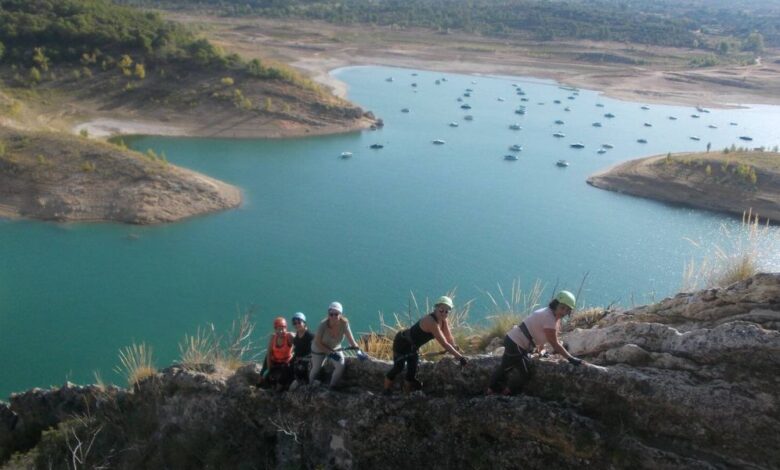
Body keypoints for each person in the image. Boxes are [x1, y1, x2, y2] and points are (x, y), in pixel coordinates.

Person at [487, 290, 585, 395]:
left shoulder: (549, 313)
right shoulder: (549, 318)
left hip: (513, 340)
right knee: (525, 372)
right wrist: (570, 358)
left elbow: (537, 331)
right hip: (517, 344)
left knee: (505, 367)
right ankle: (507, 392)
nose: (564, 312)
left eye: (567, 310)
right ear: (556, 304)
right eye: (562, 307)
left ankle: (492, 389)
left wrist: (541, 350)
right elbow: (554, 343)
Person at [383, 296, 468, 394]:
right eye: (441, 310)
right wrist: (460, 357)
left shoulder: (444, 321)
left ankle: (406, 394)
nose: (444, 313)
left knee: (412, 371)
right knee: (398, 367)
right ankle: (386, 389)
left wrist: (454, 346)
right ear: (436, 308)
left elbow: (449, 337)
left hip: (413, 347)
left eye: (447, 311)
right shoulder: (431, 322)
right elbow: (444, 343)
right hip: (402, 343)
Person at [309, 302, 362, 388]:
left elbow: (351, 341)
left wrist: (358, 351)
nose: (333, 316)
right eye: (331, 314)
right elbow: (317, 342)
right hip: (318, 348)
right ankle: (310, 385)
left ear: (340, 314)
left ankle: (332, 386)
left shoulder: (344, 324)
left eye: (336, 314)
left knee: (340, 365)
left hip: (334, 348)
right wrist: (329, 352)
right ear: (328, 314)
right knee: (316, 368)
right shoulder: (323, 325)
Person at [263, 317, 295, 391]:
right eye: (278, 329)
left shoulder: (289, 336)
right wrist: (269, 369)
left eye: (283, 328)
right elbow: (269, 353)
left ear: (286, 328)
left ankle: (277, 392)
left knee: (284, 377)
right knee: (267, 377)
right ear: (275, 329)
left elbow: (299, 341)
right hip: (275, 362)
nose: (281, 331)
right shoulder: (273, 337)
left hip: (286, 362)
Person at [289, 312, 314, 390]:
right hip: (297, 358)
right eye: (295, 323)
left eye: (299, 322)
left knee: (299, 373)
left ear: (304, 323)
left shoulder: (310, 335)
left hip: (306, 360)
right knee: (286, 368)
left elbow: (316, 347)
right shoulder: (298, 333)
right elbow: (296, 345)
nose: (297, 325)